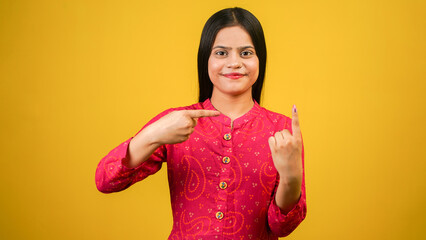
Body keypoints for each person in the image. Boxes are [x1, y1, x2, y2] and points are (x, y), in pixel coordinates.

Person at [95, 7, 306, 239]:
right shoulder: (177, 122)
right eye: (221, 53)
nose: (234, 63)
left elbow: (281, 227)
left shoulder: (281, 129)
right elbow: (106, 181)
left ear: (260, 59)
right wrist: (153, 134)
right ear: (205, 58)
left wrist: (292, 178)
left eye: (246, 53)